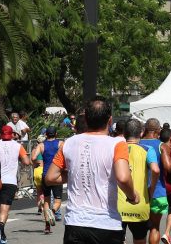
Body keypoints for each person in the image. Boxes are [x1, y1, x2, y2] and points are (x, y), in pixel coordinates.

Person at [44, 98, 140, 244]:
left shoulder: (69, 143)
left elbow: (50, 177)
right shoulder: (117, 144)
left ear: (86, 119)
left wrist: (75, 174)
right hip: (106, 223)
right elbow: (123, 177)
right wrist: (132, 196)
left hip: (75, 223)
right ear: (110, 120)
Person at [119, 119, 160, 244]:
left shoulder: (116, 149)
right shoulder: (147, 150)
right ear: (141, 133)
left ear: (124, 133)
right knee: (140, 239)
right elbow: (155, 170)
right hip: (140, 203)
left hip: (117, 205)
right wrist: (151, 190)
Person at [0, 125, 31, 242]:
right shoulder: (18, 146)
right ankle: (0, 228)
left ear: (0, 134)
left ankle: (0, 234)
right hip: (10, 181)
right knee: (5, 207)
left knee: (0, 206)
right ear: (12, 134)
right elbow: (26, 162)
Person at [140, 118, 168, 244]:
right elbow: (168, 166)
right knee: (154, 227)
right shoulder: (161, 145)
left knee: (139, 230)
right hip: (157, 190)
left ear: (145, 129)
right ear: (158, 130)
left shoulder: (138, 143)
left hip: (139, 191)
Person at [31, 126, 63, 232]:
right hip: (56, 175)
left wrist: (36, 164)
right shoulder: (60, 144)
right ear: (56, 134)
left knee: (46, 201)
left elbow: (33, 157)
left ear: (46, 135)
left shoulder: (41, 145)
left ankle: (47, 226)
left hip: (45, 175)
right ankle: (52, 212)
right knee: (57, 201)